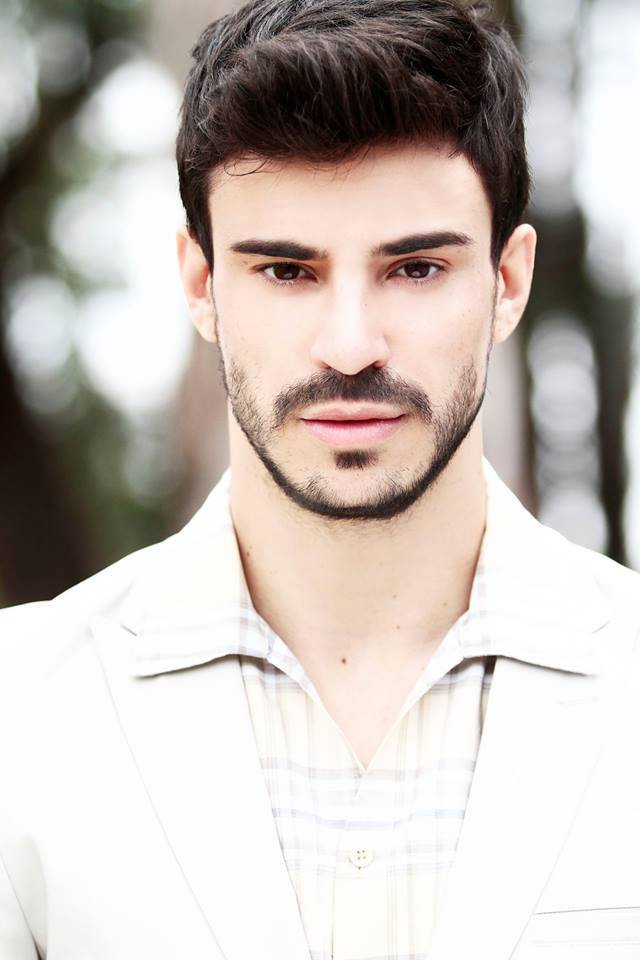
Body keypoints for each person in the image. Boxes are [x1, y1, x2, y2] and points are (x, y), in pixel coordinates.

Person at [1, 0, 639, 957]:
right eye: (286, 272)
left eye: (415, 269)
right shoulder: (19, 710)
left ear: (507, 282)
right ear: (200, 285)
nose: (349, 346)